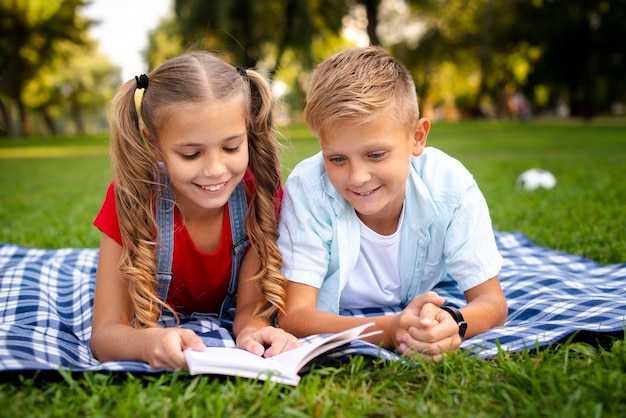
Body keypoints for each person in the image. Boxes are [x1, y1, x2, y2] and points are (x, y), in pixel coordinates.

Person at [277, 46, 507, 360]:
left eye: (375, 155)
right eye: (337, 158)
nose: (358, 177)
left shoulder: (450, 187)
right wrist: (391, 328)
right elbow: (294, 316)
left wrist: (454, 323)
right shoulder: (308, 190)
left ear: (417, 137)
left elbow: (492, 303)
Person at [91, 51, 299, 370]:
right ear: (155, 143)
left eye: (231, 147)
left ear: (248, 131)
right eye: (191, 154)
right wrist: (146, 342)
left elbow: (249, 314)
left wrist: (254, 332)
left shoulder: (257, 192)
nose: (215, 169)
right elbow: (105, 333)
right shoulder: (131, 199)